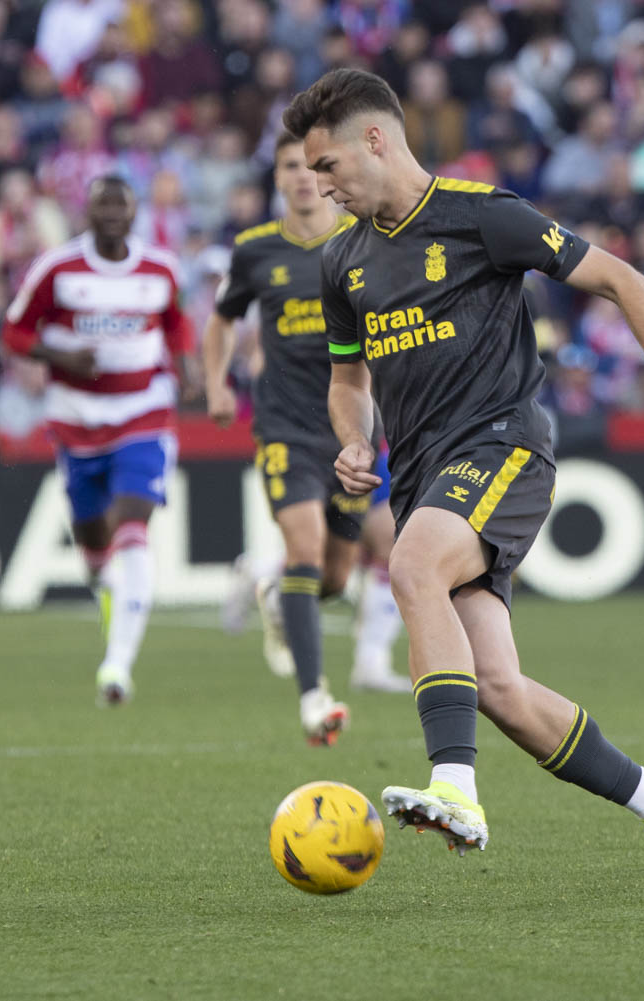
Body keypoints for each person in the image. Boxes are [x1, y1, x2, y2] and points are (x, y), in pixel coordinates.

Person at [283, 68, 644, 902]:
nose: (320, 185)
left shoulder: (483, 215)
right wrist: (353, 437)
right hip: (422, 475)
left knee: (412, 566)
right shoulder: (342, 261)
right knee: (500, 690)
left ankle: (456, 787)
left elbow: (623, 279)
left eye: (327, 165)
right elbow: (347, 379)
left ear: (375, 140)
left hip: (504, 447)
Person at [203, 132, 412, 748]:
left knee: (335, 577)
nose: (300, 177)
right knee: (305, 544)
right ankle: (314, 697)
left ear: (328, 175)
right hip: (285, 427)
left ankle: (269, 584)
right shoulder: (255, 251)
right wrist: (215, 384)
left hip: (352, 432)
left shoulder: (364, 241)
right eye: (289, 167)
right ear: (277, 178)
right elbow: (221, 320)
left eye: (310, 166)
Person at [0, 175, 197, 705]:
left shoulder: (160, 268)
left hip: (143, 413)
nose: (111, 214)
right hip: (75, 419)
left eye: (120, 205)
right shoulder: (58, 268)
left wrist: (185, 363)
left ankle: (117, 666)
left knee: (132, 526)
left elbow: (176, 323)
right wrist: (61, 356)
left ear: (134, 213)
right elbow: (13, 332)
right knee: (92, 543)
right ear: (85, 213)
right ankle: (102, 579)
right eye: (101, 205)